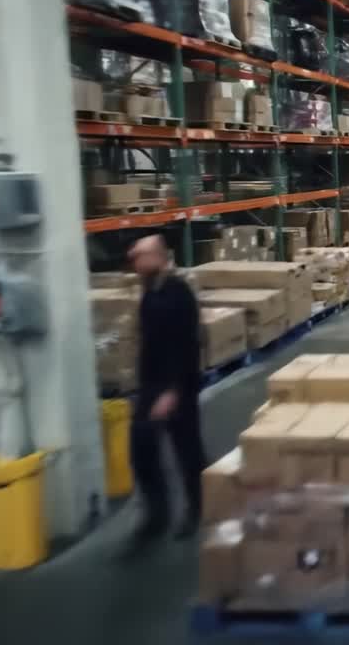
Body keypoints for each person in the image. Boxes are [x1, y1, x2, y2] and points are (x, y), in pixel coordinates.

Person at [126, 235, 205, 552]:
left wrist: (172, 390)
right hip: (150, 385)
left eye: (141, 255)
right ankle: (156, 515)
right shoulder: (149, 291)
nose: (135, 261)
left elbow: (185, 344)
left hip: (178, 385)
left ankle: (196, 509)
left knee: (187, 450)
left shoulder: (178, 293)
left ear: (159, 257)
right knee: (141, 449)